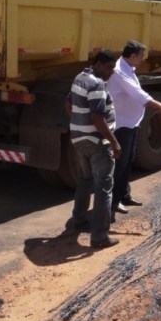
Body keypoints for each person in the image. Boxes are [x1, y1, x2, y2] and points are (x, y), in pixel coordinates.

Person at [106, 40, 161, 215]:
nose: (143, 59)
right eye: (141, 56)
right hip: (121, 125)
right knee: (120, 164)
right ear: (132, 56)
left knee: (128, 161)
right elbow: (139, 95)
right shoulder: (119, 72)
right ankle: (114, 202)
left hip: (130, 122)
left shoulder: (128, 68)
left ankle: (124, 195)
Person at [67, 49, 122, 249]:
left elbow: (68, 105)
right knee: (104, 188)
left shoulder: (80, 77)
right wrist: (114, 142)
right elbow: (97, 119)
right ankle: (99, 237)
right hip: (97, 143)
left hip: (78, 139)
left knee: (84, 179)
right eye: (108, 67)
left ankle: (79, 220)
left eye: (113, 69)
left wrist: (78, 126)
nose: (111, 72)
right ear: (98, 64)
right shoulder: (97, 84)